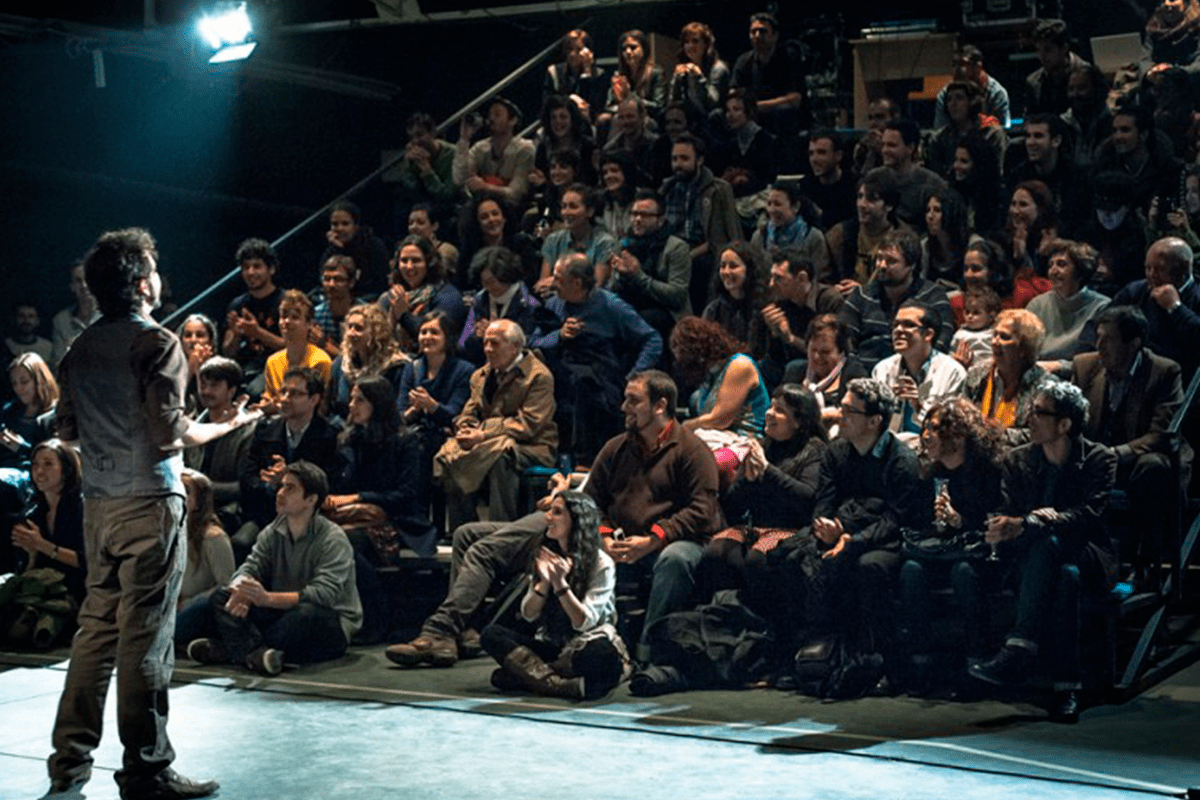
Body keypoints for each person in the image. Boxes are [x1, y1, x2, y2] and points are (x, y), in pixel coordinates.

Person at [48, 227, 258, 799]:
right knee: (145, 639)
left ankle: (68, 765)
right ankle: (146, 769)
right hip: (150, 503)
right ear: (143, 283)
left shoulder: (78, 349)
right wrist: (226, 424)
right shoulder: (157, 343)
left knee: (94, 633)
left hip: (100, 505)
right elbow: (170, 436)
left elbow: (66, 431)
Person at [969, 382, 1117, 723]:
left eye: (1039, 412)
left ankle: (1019, 647)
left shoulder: (1098, 458)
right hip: (1036, 561)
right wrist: (1013, 525)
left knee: (1058, 555)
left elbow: (1089, 517)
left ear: (1064, 424)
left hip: (1091, 556)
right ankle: (1068, 687)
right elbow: (1010, 512)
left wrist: (1034, 522)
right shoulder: (1018, 460)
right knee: (1064, 576)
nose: (1028, 418)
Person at [187, 461, 362, 675]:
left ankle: (234, 650)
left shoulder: (332, 538)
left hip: (330, 623)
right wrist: (240, 590)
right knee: (221, 597)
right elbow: (249, 567)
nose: (280, 493)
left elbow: (323, 595)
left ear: (311, 499)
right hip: (283, 612)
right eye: (281, 486)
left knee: (306, 614)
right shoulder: (273, 531)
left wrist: (266, 599)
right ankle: (256, 654)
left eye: (290, 488)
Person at [1072, 305, 1187, 582]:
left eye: (1107, 339)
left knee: (1153, 468)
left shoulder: (1164, 371)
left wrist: (1115, 454)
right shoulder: (1086, 366)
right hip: (1096, 459)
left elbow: (1162, 433)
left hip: (1137, 459)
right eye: (1098, 337)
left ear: (1133, 343)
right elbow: (1072, 421)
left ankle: (1144, 564)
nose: (1099, 345)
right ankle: (1087, 563)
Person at [898, 398, 1005, 689]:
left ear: (957, 436)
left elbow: (995, 520)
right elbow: (916, 521)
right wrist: (933, 519)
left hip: (979, 556)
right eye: (925, 428)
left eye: (934, 428)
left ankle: (976, 661)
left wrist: (961, 520)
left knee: (964, 572)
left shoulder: (987, 471)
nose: (925, 436)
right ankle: (922, 663)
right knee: (911, 569)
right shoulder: (930, 472)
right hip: (941, 552)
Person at [481, 491, 630, 700]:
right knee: (492, 635)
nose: (548, 517)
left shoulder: (601, 562)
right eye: (550, 511)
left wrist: (560, 584)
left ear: (576, 521)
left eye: (557, 512)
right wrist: (544, 583)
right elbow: (529, 614)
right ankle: (558, 685)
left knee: (599, 656)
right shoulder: (546, 554)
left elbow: (583, 622)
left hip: (587, 642)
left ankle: (531, 678)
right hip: (555, 646)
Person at [533, 253, 662, 464]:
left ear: (576, 282)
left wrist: (635, 376)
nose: (552, 284)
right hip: (560, 379)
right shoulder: (554, 305)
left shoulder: (611, 306)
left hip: (600, 381)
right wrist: (559, 335)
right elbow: (534, 342)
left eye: (558, 279)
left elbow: (652, 339)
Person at [699, 383, 827, 595]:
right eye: (771, 407)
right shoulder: (762, 446)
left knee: (757, 557)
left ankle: (763, 622)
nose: (769, 413)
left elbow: (807, 499)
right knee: (716, 550)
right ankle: (722, 616)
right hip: (754, 526)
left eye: (780, 411)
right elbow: (732, 508)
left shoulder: (814, 450)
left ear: (798, 422)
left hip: (793, 530)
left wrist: (767, 472)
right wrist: (747, 481)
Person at [434, 319, 558, 531]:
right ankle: (463, 530)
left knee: (502, 457)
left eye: (495, 344)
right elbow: (470, 410)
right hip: (487, 441)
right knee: (450, 454)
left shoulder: (538, 376)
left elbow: (529, 424)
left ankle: (501, 530)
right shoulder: (480, 375)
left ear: (516, 346)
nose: (488, 349)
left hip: (532, 445)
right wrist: (466, 427)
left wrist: (483, 434)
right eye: (485, 343)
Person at [328, 376, 436, 560]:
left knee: (340, 540)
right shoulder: (349, 439)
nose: (352, 405)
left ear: (377, 403)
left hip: (397, 522)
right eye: (351, 399)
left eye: (360, 400)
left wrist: (358, 497)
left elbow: (406, 495)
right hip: (356, 515)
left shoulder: (405, 440)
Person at [237, 367, 340, 546]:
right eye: (283, 392)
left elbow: (331, 484)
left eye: (295, 394)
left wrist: (290, 478)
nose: (284, 399)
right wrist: (271, 485)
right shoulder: (265, 431)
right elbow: (247, 478)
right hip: (266, 513)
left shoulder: (330, 436)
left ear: (314, 399)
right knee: (242, 542)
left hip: (309, 519)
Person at [3, 439, 85, 646]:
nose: (39, 471)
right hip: (40, 587)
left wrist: (43, 546)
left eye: (48, 464)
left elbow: (89, 562)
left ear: (66, 470)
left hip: (74, 590)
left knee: (32, 628)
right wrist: (32, 553)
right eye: (35, 464)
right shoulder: (34, 512)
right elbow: (28, 570)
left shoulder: (82, 510)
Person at [671, 316, 770, 487]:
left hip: (746, 444)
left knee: (702, 467)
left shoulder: (740, 365)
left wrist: (686, 426)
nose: (679, 357)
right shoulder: (708, 376)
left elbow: (721, 419)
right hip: (715, 440)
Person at [838, 230, 954, 372]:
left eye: (891, 261)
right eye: (879, 258)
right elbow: (844, 339)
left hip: (915, 374)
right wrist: (857, 374)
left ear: (911, 265)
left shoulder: (933, 296)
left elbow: (940, 342)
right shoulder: (861, 295)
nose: (881, 265)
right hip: (863, 375)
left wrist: (909, 371)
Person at [398, 312, 474, 506]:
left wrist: (431, 405)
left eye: (434, 332)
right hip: (416, 434)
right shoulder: (411, 368)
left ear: (447, 337)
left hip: (449, 434)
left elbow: (456, 413)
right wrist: (414, 409)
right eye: (423, 332)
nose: (427, 337)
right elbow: (400, 413)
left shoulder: (464, 370)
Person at [660, 133, 741, 313]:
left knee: (701, 267)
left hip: (704, 252)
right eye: (674, 159)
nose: (678, 164)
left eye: (684, 158)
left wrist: (689, 255)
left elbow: (725, 234)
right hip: (674, 250)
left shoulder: (718, 189)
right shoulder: (668, 189)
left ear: (700, 160)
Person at [870, 301, 966, 439]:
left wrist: (918, 406)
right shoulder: (882, 369)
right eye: (895, 325)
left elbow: (950, 428)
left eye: (908, 325)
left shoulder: (952, 372)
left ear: (928, 334)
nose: (898, 330)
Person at [1111, 236, 1200, 378]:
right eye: (1148, 268)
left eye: (1159, 269)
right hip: (1133, 370)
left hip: (1179, 375)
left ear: (1183, 268)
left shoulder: (1197, 295)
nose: (1151, 275)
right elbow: (1103, 320)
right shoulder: (1136, 291)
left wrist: (1176, 308)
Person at [964, 308, 1055, 443]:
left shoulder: (1045, 386)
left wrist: (999, 435)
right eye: (995, 335)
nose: (995, 342)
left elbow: (1043, 432)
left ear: (1024, 348)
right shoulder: (976, 374)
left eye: (1004, 337)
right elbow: (962, 418)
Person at [183, 357, 254, 529]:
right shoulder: (192, 427)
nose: (206, 391)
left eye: (214, 385)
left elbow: (244, 487)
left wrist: (202, 489)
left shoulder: (249, 430)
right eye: (203, 385)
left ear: (231, 391)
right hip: (191, 505)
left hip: (231, 510)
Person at [611, 188, 694, 335]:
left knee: (644, 320)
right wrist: (621, 276)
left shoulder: (676, 247)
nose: (637, 220)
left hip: (667, 314)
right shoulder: (627, 244)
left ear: (660, 219)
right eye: (634, 214)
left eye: (644, 215)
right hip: (635, 305)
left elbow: (677, 296)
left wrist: (639, 276)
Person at [760, 246, 844, 386]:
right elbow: (775, 356)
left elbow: (830, 352)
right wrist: (775, 333)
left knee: (795, 367)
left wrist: (790, 339)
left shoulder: (829, 301)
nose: (771, 284)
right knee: (762, 366)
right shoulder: (781, 303)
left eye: (778, 278)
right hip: (791, 365)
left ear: (801, 278)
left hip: (823, 366)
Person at [173, 469, 234, 650]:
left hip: (200, 609)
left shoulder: (213, 537)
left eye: (186, 490)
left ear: (199, 501)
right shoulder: (173, 533)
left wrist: (189, 603)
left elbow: (226, 587)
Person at [1026, 239, 1110, 370]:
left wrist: (1059, 366)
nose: (1053, 271)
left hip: (1078, 377)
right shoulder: (1037, 304)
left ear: (1080, 271)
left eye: (1061, 264)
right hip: (1037, 373)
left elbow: (1098, 359)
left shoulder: (1101, 307)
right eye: (1050, 265)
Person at [458, 247, 545, 366]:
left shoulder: (529, 305)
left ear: (506, 276)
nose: (488, 287)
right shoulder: (480, 299)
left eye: (492, 281)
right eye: (484, 282)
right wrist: (476, 337)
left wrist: (499, 335)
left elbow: (533, 344)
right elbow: (463, 343)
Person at [380, 233, 466, 350]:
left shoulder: (447, 295)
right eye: (404, 261)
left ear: (429, 263)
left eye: (416, 260)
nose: (409, 267)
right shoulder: (391, 297)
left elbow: (436, 337)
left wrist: (403, 315)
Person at [222, 237, 285, 395]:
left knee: (253, 391)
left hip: (279, 366)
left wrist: (257, 332)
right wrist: (236, 334)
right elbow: (228, 352)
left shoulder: (286, 302)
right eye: (246, 267)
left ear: (271, 269)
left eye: (257, 266)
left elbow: (291, 347)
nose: (251, 272)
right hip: (246, 368)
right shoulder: (237, 305)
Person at [824, 169, 905, 290]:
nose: (862, 204)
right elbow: (823, 279)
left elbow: (902, 286)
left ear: (889, 205)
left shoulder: (904, 240)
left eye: (871, 199)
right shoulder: (838, 236)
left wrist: (863, 292)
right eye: (860, 197)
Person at [731, 12, 806, 137]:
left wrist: (756, 106)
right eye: (753, 32)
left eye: (763, 31)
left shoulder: (789, 58)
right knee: (717, 116)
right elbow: (734, 92)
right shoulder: (743, 61)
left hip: (777, 114)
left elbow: (795, 99)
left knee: (785, 112)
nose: (757, 36)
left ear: (775, 35)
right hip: (750, 115)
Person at [327, 303, 407, 420]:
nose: (351, 333)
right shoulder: (341, 364)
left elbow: (395, 410)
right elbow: (332, 407)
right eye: (350, 327)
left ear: (376, 332)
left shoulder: (394, 367)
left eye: (359, 328)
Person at [453, 96, 536, 209]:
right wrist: (464, 139)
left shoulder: (524, 148)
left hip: (513, 208)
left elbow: (517, 193)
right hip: (483, 206)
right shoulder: (480, 147)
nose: (491, 119)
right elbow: (459, 179)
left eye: (497, 115)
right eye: (490, 115)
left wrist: (486, 187)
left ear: (512, 120)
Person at [536, 183, 619, 295]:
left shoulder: (605, 243)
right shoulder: (553, 240)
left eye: (573, 207)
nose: (566, 212)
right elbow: (542, 285)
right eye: (564, 206)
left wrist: (556, 283)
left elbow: (595, 286)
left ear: (590, 211)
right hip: (557, 301)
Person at [261, 289, 333, 403]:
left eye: (295, 317)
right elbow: (268, 397)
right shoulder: (272, 361)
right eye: (283, 316)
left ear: (309, 323)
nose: (287, 321)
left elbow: (322, 406)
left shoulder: (321, 361)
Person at [701, 241, 769, 360]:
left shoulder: (764, 307)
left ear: (749, 269)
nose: (726, 272)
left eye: (733, 266)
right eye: (723, 266)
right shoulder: (714, 309)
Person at [750, 181, 830, 277]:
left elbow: (821, 276)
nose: (771, 210)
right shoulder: (759, 237)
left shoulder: (813, 237)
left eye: (777, 204)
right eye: (769, 204)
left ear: (795, 206)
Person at [879, 119, 948, 228]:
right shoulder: (874, 178)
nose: (884, 150)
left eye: (891, 145)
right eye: (883, 145)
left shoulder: (933, 184)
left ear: (910, 148)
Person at [319, 200, 391, 297]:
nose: (340, 228)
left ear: (356, 226)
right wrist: (338, 249)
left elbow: (378, 283)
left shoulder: (374, 246)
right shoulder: (330, 252)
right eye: (335, 224)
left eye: (345, 224)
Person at [932, 45, 1012, 129]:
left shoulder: (996, 93)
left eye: (963, 64)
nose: (957, 69)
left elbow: (1002, 131)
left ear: (977, 67)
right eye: (954, 64)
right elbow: (940, 130)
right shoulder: (945, 95)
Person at [395, 112, 458, 216]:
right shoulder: (412, 155)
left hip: (450, 205)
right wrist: (408, 166)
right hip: (424, 205)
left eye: (420, 135)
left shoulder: (452, 153)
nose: (415, 141)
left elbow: (447, 195)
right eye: (412, 137)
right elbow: (411, 192)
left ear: (432, 133)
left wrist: (427, 171)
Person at [1024, 19, 1091, 117]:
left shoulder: (1087, 75)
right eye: (1038, 50)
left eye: (1048, 50)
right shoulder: (1034, 82)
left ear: (1064, 48)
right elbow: (1031, 119)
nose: (1041, 56)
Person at [669, 21, 732, 118]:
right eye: (686, 42)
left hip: (714, 120)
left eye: (695, 41)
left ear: (706, 44)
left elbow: (712, 103)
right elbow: (673, 102)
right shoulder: (686, 68)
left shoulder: (718, 68)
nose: (690, 46)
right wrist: (676, 78)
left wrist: (699, 76)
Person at [544, 29, 607, 119]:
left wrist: (587, 72)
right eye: (569, 49)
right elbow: (548, 103)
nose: (572, 54)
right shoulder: (554, 71)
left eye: (578, 49)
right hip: (560, 120)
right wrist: (571, 99)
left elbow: (595, 107)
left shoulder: (599, 74)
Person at [604, 29, 667, 119]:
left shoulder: (656, 73)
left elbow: (659, 106)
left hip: (646, 118)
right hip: (622, 116)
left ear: (644, 50)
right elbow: (609, 106)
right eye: (624, 49)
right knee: (603, 119)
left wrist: (629, 95)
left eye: (633, 47)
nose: (628, 52)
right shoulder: (619, 74)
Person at [311, 254, 364, 358]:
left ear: (351, 282)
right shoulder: (316, 315)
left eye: (338, 279)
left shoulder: (365, 314)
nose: (331, 284)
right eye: (327, 279)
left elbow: (359, 359)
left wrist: (325, 345)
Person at [803, 129, 857, 230]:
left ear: (838, 156)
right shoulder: (805, 187)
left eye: (821, 152)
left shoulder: (853, 186)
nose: (814, 159)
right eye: (811, 153)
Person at [51, 261, 100, 369]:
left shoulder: (111, 316)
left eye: (87, 279)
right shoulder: (61, 321)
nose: (84, 285)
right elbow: (58, 365)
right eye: (78, 281)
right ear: (72, 287)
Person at [407, 203, 460, 284]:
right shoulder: (406, 251)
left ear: (434, 226)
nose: (414, 227)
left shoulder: (446, 250)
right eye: (411, 223)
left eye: (420, 223)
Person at [176, 313, 217, 415]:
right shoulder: (172, 366)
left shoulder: (220, 366)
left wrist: (199, 369)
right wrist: (190, 367)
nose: (193, 340)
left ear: (210, 341)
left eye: (200, 335)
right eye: (188, 335)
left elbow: (208, 404)